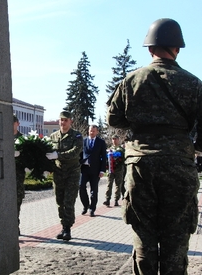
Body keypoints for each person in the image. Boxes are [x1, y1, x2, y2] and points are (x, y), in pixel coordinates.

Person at [106, 18, 201, 275]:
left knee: (144, 235)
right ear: (178, 47)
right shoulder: (194, 84)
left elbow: (113, 119)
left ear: (150, 48)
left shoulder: (131, 80)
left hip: (140, 165)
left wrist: (139, 123)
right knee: (176, 237)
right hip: (179, 165)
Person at [46, 111, 83, 241]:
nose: (63, 122)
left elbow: (75, 152)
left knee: (69, 201)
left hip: (72, 172)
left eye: (66, 120)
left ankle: (67, 228)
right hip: (58, 172)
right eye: (61, 120)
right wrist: (47, 167)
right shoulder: (53, 136)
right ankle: (63, 225)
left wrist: (59, 155)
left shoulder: (77, 135)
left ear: (70, 121)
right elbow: (48, 152)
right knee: (60, 201)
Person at [79, 125, 106, 217]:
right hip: (85, 169)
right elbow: (80, 154)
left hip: (95, 170)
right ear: (88, 131)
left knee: (94, 190)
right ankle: (86, 205)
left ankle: (92, 209)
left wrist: (102, 170)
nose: (92, 132)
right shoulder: (83, 141)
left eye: (94, 131)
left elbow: (104, 157)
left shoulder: (101, 142)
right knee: (81, 186)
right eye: (90, 131)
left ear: (97, 132)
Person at [103, 135, 125, 207]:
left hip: (118, 170)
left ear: (118, 140)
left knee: (118, 185)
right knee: (109, 185)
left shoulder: (121, 149)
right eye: (113, 139)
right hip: (110, 170)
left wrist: (116, 155)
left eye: (115, 139)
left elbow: (121, 155)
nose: (114, 140)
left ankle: (116, 200)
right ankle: (107, 200)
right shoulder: (109, 149)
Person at [13, 115, 25, 235]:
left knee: (17, 200)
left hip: (18, 174)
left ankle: (15, 226)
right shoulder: (3, 137)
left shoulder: (22, 139)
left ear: (17, 123)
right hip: (5, 175)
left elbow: (28, 158)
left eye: (13, 123)